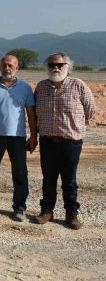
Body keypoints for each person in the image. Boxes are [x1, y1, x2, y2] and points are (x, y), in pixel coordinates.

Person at [33, 52, 96, 229]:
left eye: (60, 65)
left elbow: (90, 110)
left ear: (68, 67)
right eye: (52, 65)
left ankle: (71, 214)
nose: (56, 68)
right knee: (48, 179)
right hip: (47, 142)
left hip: (70, 143)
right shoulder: (41, 87)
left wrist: (76, 127)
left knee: (69, 181)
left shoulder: (78, 85)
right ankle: (47, 211)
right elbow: (35, 112)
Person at [0, 54, 37, 222]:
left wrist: (33, 136)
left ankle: (19, 207)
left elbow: (31, 114)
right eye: (4, 65)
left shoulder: (25, 88)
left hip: (17, 137)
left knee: (20, 173)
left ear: (17, 67)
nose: (7, 68)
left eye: (10, 65)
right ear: (0, 67)